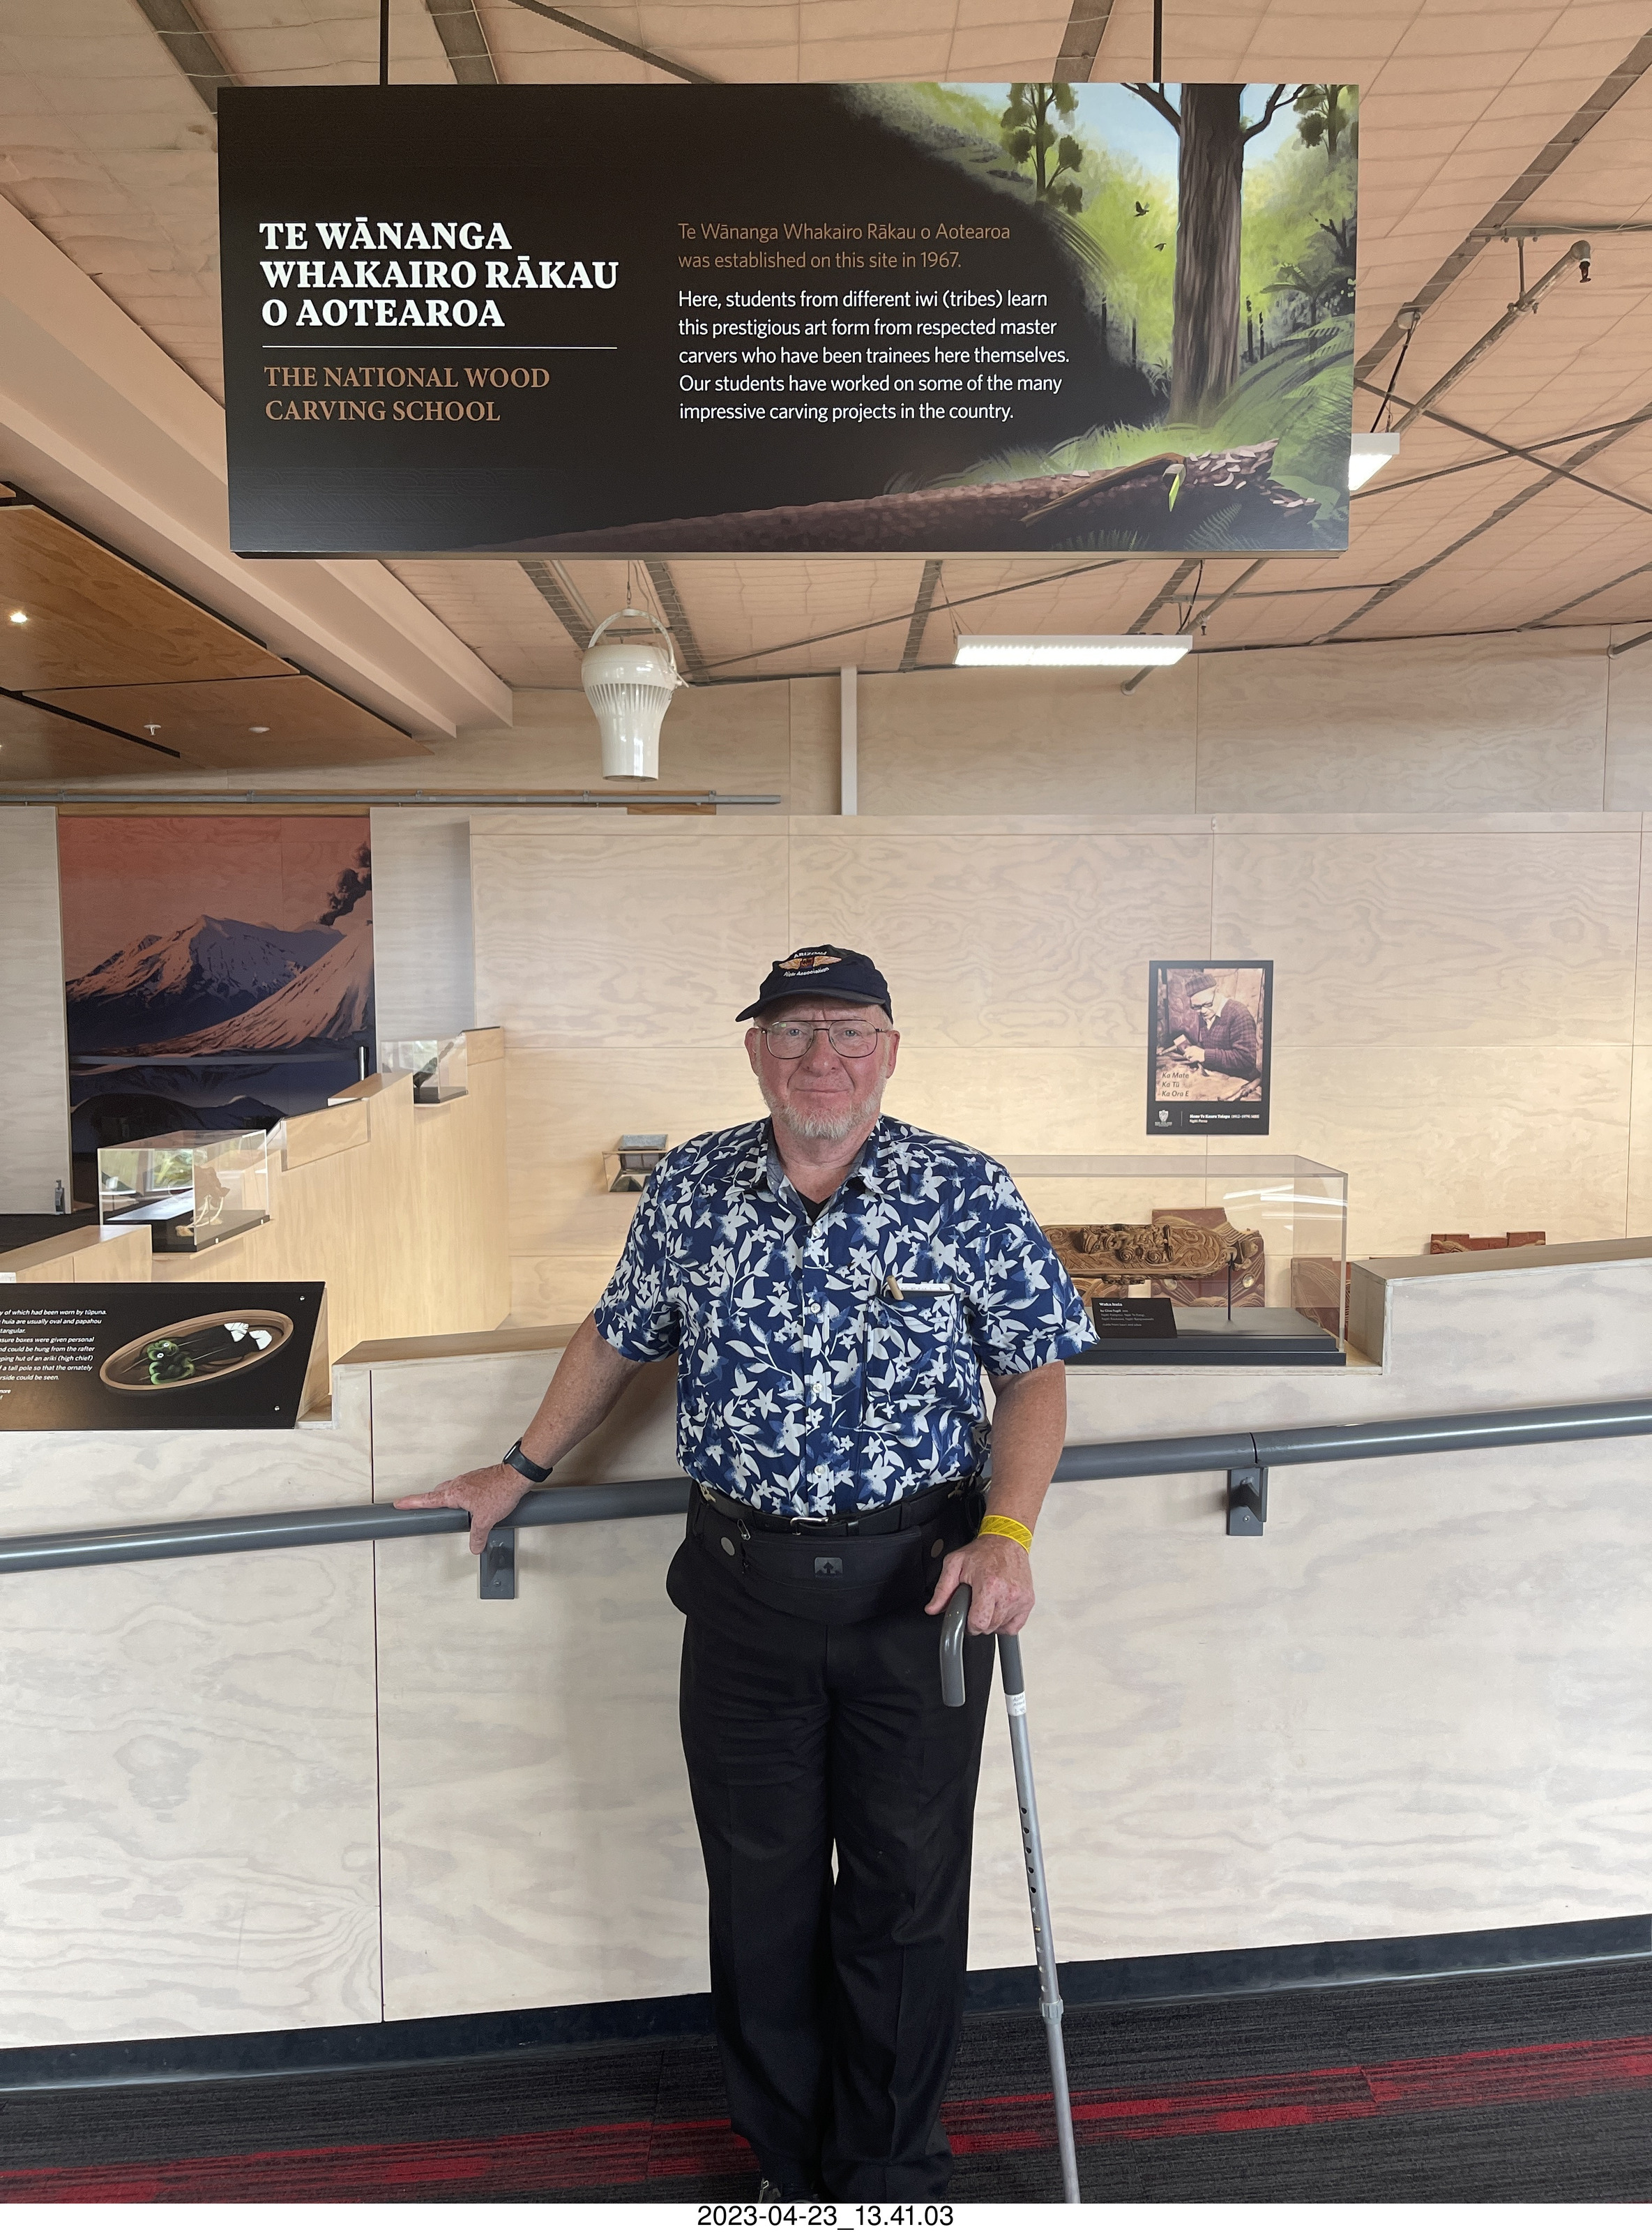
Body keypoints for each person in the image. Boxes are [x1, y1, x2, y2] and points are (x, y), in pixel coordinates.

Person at [395, 944, 1093, 2201]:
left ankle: (886, 2174)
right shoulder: (692, 1187)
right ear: (755, 1051)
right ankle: (784, 2166)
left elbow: (1032, 1369)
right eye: (791, 1032)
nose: (820, 1057)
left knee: (903, 1894)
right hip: (740, 1592)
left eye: (847, 1031)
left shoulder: (962, 1189)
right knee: (759, 1894)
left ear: (889, 1048)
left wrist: (1010, 1532)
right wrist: (519, 1467)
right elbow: (619, 1334)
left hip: (918, 1592)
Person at [1172, 971, 1259, 1079]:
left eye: (1208, 1004)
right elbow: (1213, 1044)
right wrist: (1196, 1049)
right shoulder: (1204, 1013)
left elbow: (1246, 1060)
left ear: (1217, 992)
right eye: (1197, 1007)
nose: (1203, 1011)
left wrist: (1205, 1055)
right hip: (1216, 1076)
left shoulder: (1239, 1013)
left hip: (1241, 1080)